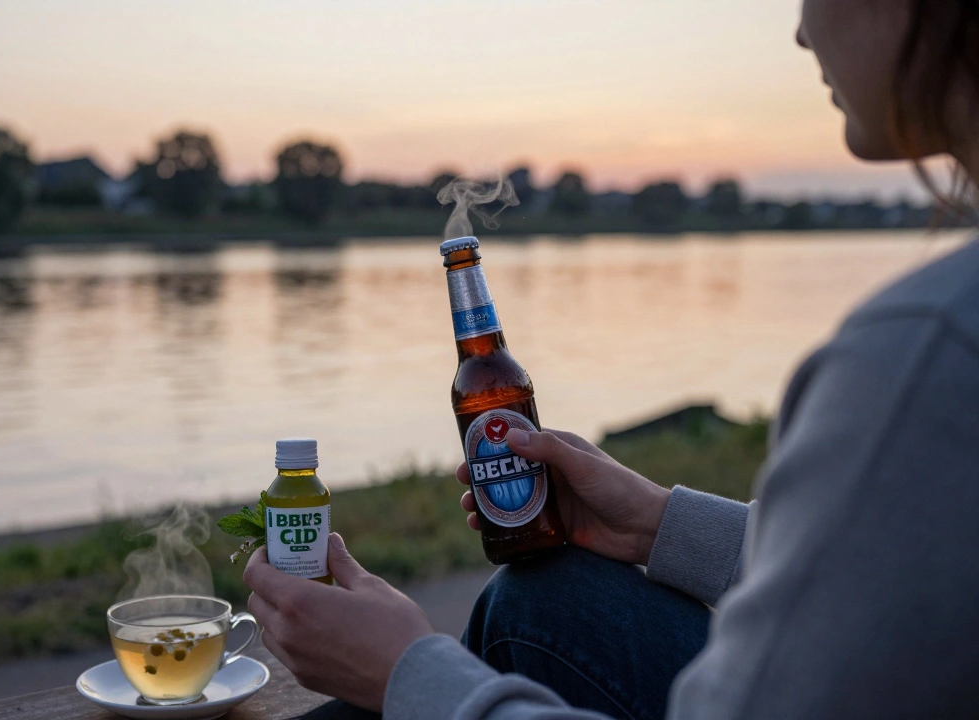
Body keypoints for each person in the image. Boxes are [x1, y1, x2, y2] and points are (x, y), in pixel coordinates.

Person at [242, 0, 979, 716]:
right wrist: (660, 523)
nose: (797, 30)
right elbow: (885, 578)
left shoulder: (924, 347)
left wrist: (409, 675)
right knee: (540, 594)